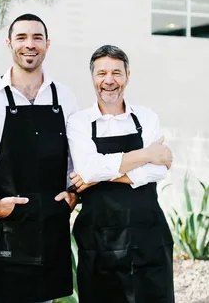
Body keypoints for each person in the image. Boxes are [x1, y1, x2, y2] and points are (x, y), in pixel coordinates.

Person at [0, 13, 78, 303]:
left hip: (50, 224)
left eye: (37, 37)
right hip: (4, 224)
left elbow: (76, 156)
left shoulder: (66, 97)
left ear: (47, 44)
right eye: (21, 37)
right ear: (9, 43)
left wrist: (74, 194)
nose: (29, 44)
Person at [67, 45, 175, 303]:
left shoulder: (147, 117)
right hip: (99, 238)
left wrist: (98, 176)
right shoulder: (79, 122)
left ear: (128, 75)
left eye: (116, 72)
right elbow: (87, 168)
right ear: (92, 78)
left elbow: (158, 170)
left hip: (148, 235)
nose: (109, 80)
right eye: (101, 73)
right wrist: (147, 154)